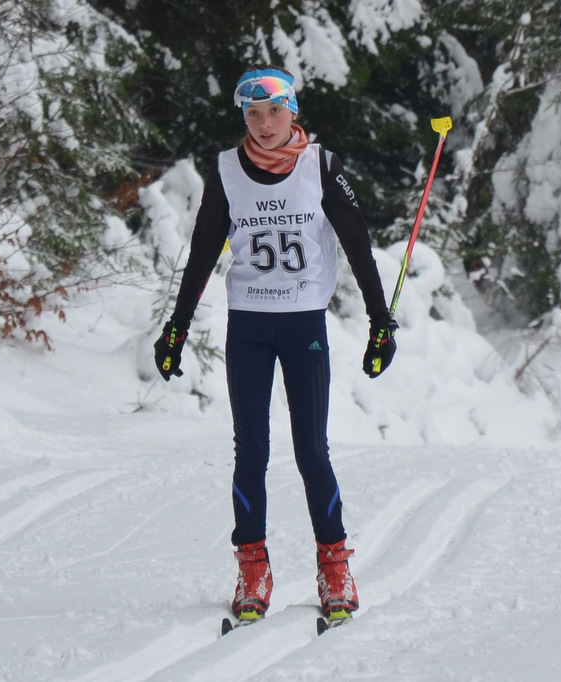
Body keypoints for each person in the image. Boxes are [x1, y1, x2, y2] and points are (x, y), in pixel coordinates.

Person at [153, 65, 398, 625]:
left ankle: (334, 567)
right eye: (253, 114)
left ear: (293, 112)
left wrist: (380, 322)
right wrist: (176, 329)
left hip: (303, 325)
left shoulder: (321, 166)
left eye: (274, 111)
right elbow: (202, 254)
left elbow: (358, 244)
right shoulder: (226, 171)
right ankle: (252, 569)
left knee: (312, 451)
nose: (264, 124)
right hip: (249, 327)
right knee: (252, 453)